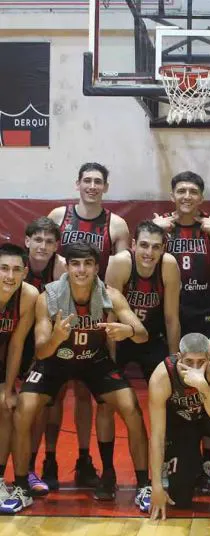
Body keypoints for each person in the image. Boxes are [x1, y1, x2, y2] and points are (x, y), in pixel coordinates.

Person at [1, 243, 150, 514]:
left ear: (96, 268)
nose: (82, 270)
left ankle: (143, 486)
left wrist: (128, 331)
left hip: (94, 361)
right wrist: (57, 337)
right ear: (67, 268)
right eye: (75, 264)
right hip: (54, 361)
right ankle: (21, 487)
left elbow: (143, 334)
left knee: (131, 406)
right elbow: (41, 351)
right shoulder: (49, 297)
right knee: (24, 408)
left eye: (88, 264)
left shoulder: (110, 295)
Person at [47, 162, 130, 490]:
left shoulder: (117, 224)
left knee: (85, 394)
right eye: (87, 180)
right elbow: (46, 258)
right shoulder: (59, 216)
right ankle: (50, 459)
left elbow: (122, 271)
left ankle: (84, 458)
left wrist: (113, 314)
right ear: (77, 184)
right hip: (60, 309)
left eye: (98, 181)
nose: (92, 186)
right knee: (54, 394)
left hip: (96, 312)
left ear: (106, 187)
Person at [153, 171, 210, 494]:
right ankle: (173, 457)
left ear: (201, 197)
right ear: (172, 195)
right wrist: (157, 234)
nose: (187, 196)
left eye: (193, 191)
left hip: (206, 317)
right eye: (181, 190)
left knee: (207, 387)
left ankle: (207, 463)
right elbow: (145, 263)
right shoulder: (162, 228)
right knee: (174, 389)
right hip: (172, 317)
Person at [148, 332, 210, 529]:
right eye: (189, 362)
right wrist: (156, 485)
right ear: (178, 357)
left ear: (209, 357)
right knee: (180, 499)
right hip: (182, 424)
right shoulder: (162, 376)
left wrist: (202, 386)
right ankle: (195, 472)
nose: (194, 368)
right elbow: (157, 436)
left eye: (201, 362)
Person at [23, 217, 67, 496]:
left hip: (46, 337)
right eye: (37, 240)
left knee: (46, 402)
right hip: (12, 333)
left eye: (49, 241)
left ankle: (35, 464)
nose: (42, 246)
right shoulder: (14, 265)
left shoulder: (60, 268)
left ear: (56, 246)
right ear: (27, 241)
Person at [106, 220, 181, 377]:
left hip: (152, 336)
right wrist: (111, 363)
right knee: (110, 381)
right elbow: (110, 317)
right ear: (134, 245)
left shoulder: (168, 265)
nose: (149, 252)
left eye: (156, 247)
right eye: (144, 245)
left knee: (167, 382)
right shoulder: (120, 263)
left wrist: (174, 362)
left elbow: (171, 318)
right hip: (121, 336)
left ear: (163, 249)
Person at [0, 244, 38, 505]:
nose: (9, 276)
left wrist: (9, 388)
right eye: (3, 268)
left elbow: (16, 344)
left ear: (25, 272)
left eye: (16, 270)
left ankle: (0, 479)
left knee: (5, 407)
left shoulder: (29, 295)